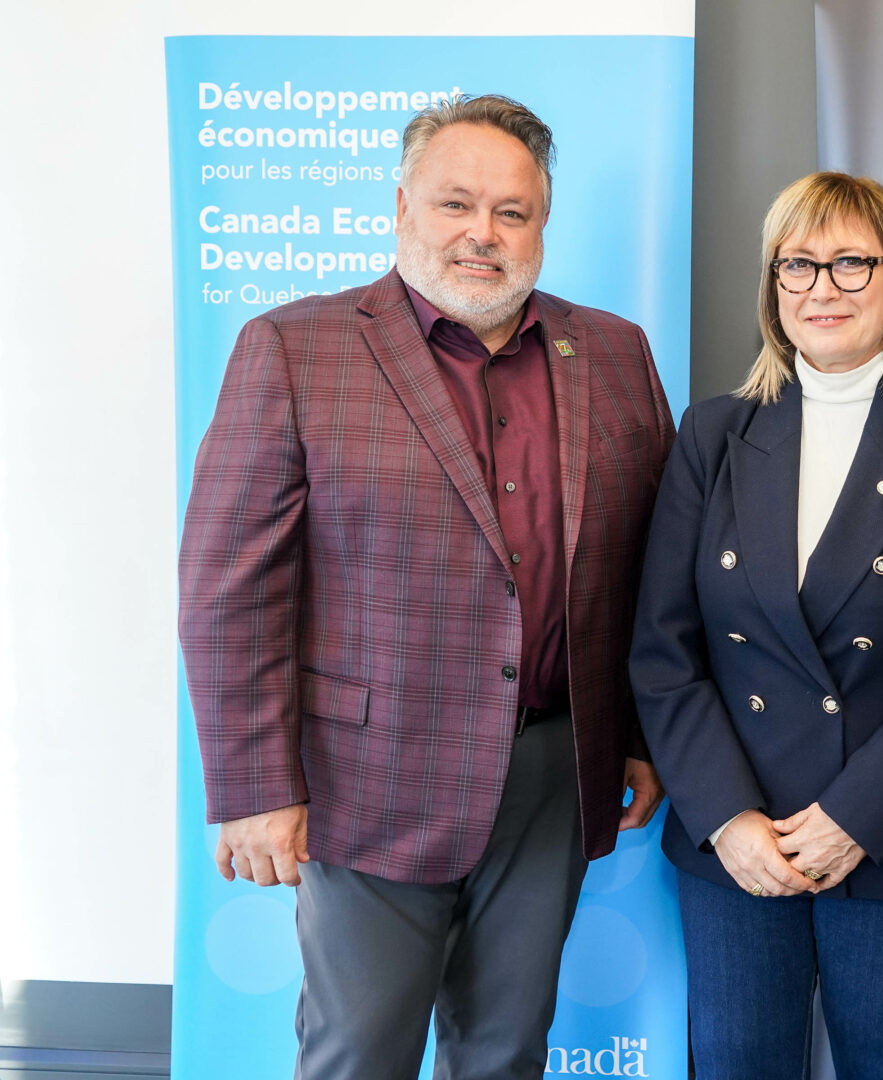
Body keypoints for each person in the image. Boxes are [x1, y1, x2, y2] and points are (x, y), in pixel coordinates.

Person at [178, 94, 674, 1079]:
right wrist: (255, 787)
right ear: (403, 206)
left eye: (511, 212)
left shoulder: (613, 353)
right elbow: (230, 585)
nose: (481, 234)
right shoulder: (294, 348)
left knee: (506, 1051)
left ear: (541, 224)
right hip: (369, 781)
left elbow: (644, 567)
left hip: (552, 776)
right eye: (455, 204)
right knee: (360, 1054)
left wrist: (636, 735)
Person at [630, 172, 883, 1080]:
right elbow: (664, 652)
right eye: (797, 265)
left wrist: (855, 816)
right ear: (773, 287)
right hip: (739, 837)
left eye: (851, 263)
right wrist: (728, 817)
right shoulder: (713, 435)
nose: (822, 288)